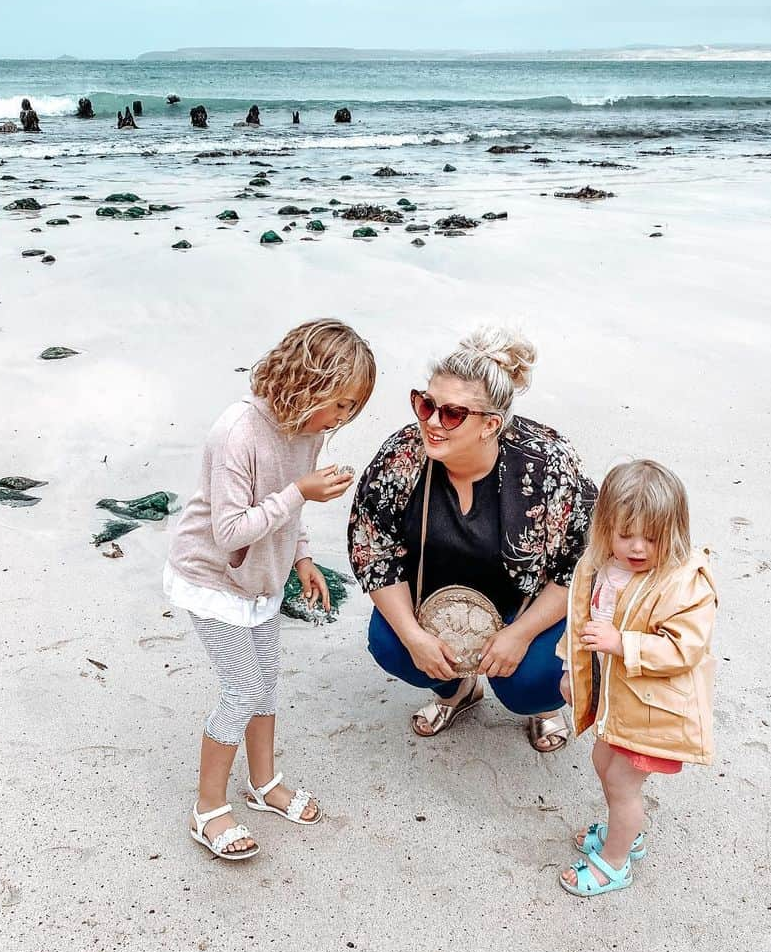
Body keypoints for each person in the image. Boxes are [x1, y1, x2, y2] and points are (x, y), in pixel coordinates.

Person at [166, 319, 376, 861]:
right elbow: (230, 530)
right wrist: (298, 492)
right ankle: (207, 808)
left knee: (267, 681)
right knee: (240, 689)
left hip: (262, 578)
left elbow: (290, 510)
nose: (342, 420)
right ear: (308, 382)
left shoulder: (309, 432)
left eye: (352, 409)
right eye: (341, 404)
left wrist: (302, 557)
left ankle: (263, 782)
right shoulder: (236, 431)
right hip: (213, 577)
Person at [348, 326, 595, 752]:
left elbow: (579, 563)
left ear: (490, 425)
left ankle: (542, 709)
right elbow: (374, 550)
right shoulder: (402, 457)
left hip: (523, 605)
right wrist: (413, 635)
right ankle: (457, 692)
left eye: (452, 414)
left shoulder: (547, 466)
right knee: (389, 642)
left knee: (534, 681)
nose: (430, 422)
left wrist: (519, 635)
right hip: (440, 601)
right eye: (425, 405)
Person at [557, 460, 717, 896]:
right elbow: (581, 623)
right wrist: (572, 667)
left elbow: (685, 648)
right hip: (618, 699)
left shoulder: (684, 584)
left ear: (675, 531)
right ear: (605, 525)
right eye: (625, 533)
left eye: (652, 536)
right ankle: (624, 832)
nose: (638, 547)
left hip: (653, 708)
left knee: (622, 782)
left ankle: (615, 861)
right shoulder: (600, 567)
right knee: (602, 763)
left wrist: (622, 643)